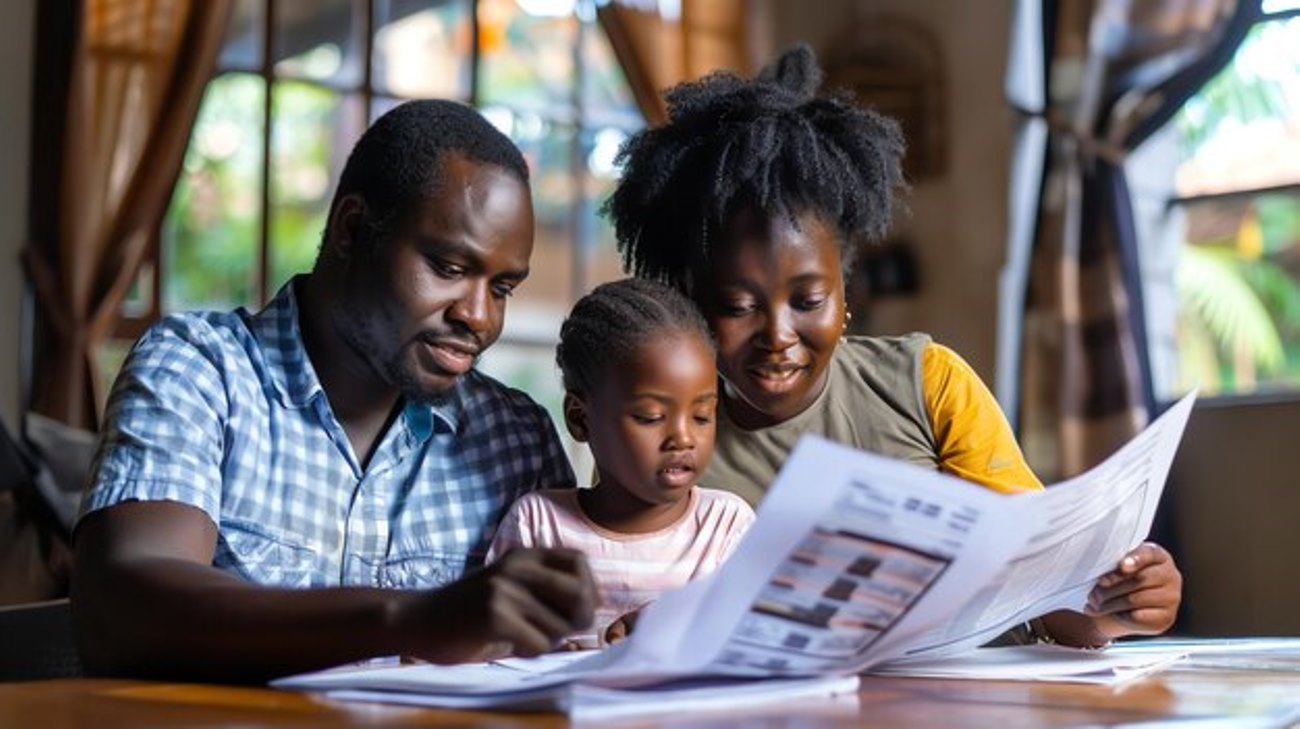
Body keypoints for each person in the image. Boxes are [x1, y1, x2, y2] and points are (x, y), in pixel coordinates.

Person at [604, 45, 1182, 649]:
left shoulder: (927, 384)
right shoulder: (658, 431)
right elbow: (620, 606)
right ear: (693, 305)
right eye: (738, 306)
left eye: (807, 301)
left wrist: (1124, 603)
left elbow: (1049, 600)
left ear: (844, 295)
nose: (778, 334)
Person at [71, 100, 597, 683]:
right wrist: (412, 617)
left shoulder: (516, 439)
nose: (479, 317)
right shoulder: (199, 372)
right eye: (448, 267)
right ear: (352, 229)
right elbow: (124, 611)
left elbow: (557, 657)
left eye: (502, 288)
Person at [486, 278, 755, 649]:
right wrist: (552, 658)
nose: (683, 437)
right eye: (649, 417)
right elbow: (493, 643)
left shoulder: (727, 528)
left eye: (702, 416)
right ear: (580, 419)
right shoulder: (538, 524)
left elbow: (754, 645)